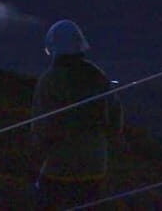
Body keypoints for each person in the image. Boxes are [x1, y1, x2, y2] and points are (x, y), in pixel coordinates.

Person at [32, 19, 123, 210]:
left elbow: (41, 127)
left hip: (61, 165)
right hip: (96, 163)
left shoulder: (49, 80)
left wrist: (39, 153)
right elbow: (115, 118)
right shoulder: (98, 75)